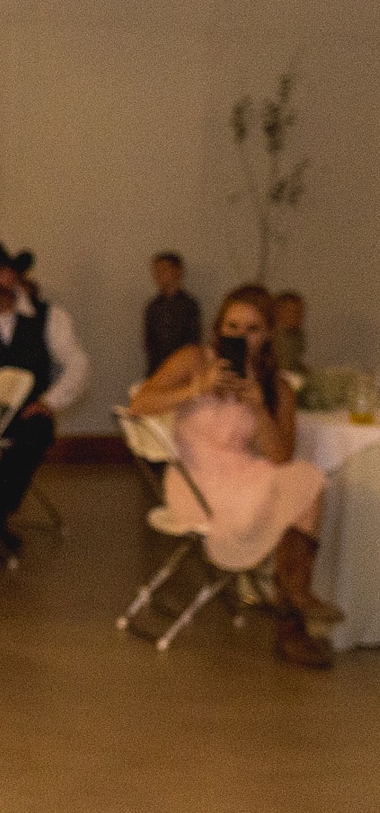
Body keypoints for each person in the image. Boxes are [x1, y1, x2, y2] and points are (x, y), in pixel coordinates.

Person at [131, 285, 336, 668]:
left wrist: (259, 407)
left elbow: (279, 457)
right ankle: (294, 615)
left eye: (253, 328)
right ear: (219, 327)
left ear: (269, 334)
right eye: (233, 326)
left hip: (244, 473)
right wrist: (197, 388)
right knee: (298, 493)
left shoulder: (277, 388)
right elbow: (139, 404)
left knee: (307, 481)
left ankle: (292, 603)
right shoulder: (195, 360)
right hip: (195, 481)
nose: (240, 336)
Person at [0, 239, 89, 553]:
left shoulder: (48, 316)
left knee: (34, 433)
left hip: (27, 415)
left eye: (3, 272)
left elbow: (77, 365)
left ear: (15, 275)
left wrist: (49, 402)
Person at [144, 250, 202, 377]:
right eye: (156, 271)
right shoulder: (153, 306)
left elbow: (193, 340)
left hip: (183, 369)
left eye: (164, 270)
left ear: (178, 270)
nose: (159, 275)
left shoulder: (189, 305)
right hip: (157, 368)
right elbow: (149, 341)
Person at [273, 290, 308, 377]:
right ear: (280, 312)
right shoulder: (272, 336)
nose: (300, 317)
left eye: (301, 313)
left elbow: (293, 361)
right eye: (295, 312)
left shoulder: (298, 335)